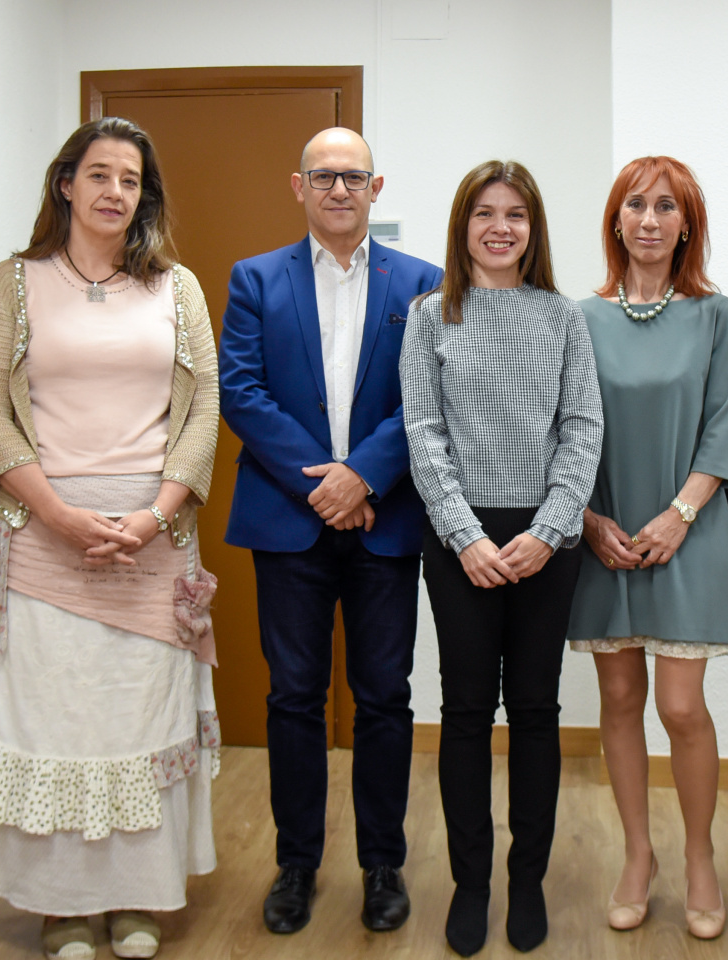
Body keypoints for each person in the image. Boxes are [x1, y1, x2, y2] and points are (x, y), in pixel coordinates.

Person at [0, 118, 221, 960]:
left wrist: (154, 515)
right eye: (98, 174)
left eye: (130, 180)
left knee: (139, 721)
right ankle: (61, 907)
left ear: (145, 196)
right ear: (66, 183)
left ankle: (137, 897)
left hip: (150, 540)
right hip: (39, 537)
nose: (113, 192)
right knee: (54, 723)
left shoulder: (179, 287)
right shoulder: (13, 283)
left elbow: (202, 410)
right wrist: (57, 515)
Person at [219, 127, 442, 935]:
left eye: (354, 177)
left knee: (385, 699)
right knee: (293, 698)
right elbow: (239, 391)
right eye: (324, 177)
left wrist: (364, 475)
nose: (339, 190)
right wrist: (326, 483)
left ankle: (383, 863)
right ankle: (296, 864)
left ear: (376, 189)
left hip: (385, 520)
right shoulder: (255, 280)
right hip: (291, 522)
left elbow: (427, 400)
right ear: (298, 185)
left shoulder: (424, 284)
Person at [401, 159, 603, 956]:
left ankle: (527, 882)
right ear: (464, 226)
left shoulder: (562, 317)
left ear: (533, 228)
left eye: (515, 214)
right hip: (462, 544)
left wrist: (550, 530)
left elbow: (582, 428)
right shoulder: (429, 316)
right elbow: (423, 433)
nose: (500, 227)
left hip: (545, 542)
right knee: (462, 714)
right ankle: (471, 882)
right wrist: (465, 534)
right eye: (485, 213)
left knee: (537, 712)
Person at [567, 156, 728, 940]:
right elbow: (564, 429)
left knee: (680, 705)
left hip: (689, 530)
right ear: (615, 220)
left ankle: (699, 858)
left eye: (665, 206)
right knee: (619, 701)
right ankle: (639, 856)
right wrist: (590, 522)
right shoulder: (581, 317)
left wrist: (678, 515)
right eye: (634, 204)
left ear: (686, 224)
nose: (647, 218)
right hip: (602, 532)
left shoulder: (715, 315)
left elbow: (726, 425)